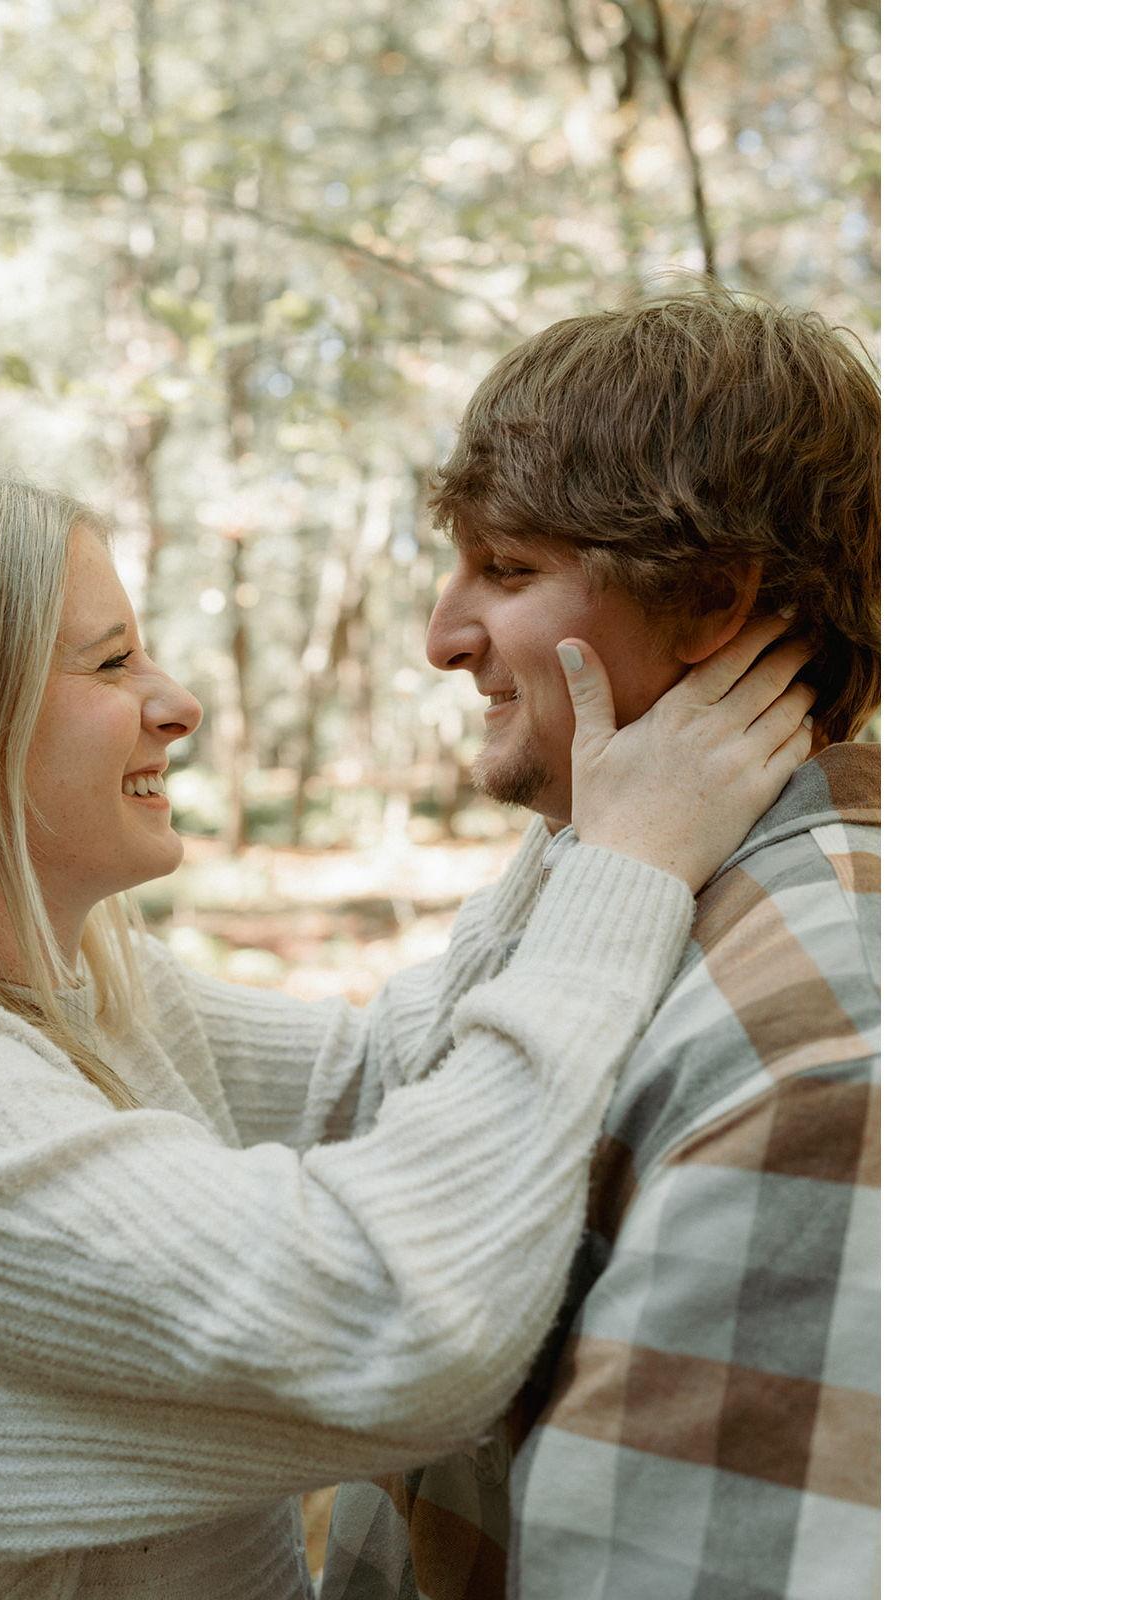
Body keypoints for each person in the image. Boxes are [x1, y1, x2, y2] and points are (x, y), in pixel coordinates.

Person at [0, 472, 814, 1600]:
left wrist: (596, 804)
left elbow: (384, 1074)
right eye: (112, 662)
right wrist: (628, 861)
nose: (178, 703)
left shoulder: (92, 990)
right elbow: (398, 1326)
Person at [320, 284, 880, 1598]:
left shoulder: (824, 1046)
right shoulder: (618, 894)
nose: (442, 637)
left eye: (508, 570)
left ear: (710, 599)